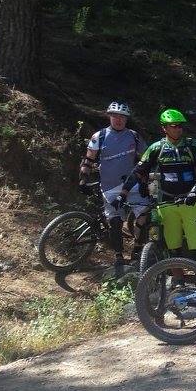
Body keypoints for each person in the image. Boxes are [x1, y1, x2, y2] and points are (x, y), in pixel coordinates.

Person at [118, 109, 196, 265]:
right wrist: (123, 193)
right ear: (164, 128)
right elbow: (139, 171)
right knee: (172, 248)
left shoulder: (192, 145)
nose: (178, 129)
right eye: (174, 126)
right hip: (167, 202)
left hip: (191, 201)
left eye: (180, 126)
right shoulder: (156, 148)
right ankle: (177, 281)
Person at [80, 101, 151, 276]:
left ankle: (137, 249)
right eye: (115, 116)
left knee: (145, 214)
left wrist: (146, 179)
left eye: (122, 117)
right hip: (109, 186)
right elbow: (89, 159)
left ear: (127, 119)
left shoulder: (133, 136)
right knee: (115, 223)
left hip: (132, 185)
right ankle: (119, 256)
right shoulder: (100, 136)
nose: (118, 120)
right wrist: (83, 179)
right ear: (109, 117)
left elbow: (147, 158)